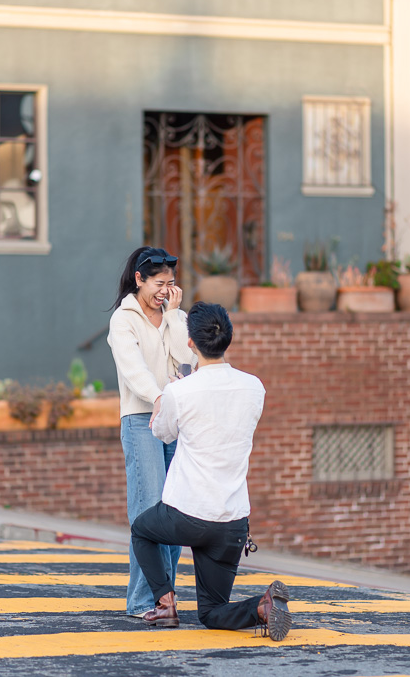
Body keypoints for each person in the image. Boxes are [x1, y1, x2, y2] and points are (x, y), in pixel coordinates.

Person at [130, 302, 292, 641]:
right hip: (231, 521)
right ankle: (262, 607)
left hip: (186, 514)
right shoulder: (254, 387)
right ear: (228, 340)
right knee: (212, 612)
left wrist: (169, 395)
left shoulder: (180, 390)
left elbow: (162, 432)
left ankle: (164, 603)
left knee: (142, 530)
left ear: (190, 343)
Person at [107, 246, 196, 618]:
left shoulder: (176, 316)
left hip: (174, 421)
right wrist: (159, 395)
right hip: (142, 419)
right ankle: (146, 601)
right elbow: (133, 369)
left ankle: (166, 598)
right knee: (148, 513)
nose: (166, 290)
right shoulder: (123, 320)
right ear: (139, 279)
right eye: (159, 283)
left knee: (173, 512)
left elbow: (187, 360)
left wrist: (174, 317)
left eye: (171, 283)